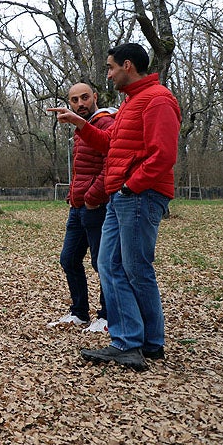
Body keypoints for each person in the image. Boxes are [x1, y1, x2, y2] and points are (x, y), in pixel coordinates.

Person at [49, 43, 181, 371]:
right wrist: (80, 125)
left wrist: (129, 185)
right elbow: (111, 145)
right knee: (110, 264)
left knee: (133, 268)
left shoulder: (157, 99)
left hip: (137, 196)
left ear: (127, 65)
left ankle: (131, 343)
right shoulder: (131, 102)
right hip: (121, 198)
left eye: (110, 68)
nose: (108, 74)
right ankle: (143, 342)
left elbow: (163, 155)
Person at [47, 83, 115, 333]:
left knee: (102, 263)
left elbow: (111, 164)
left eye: (85, 98)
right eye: (74, 100)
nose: (80, 104)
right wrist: (74, 195)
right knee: (69, 259)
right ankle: (79, 313)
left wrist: (92, 196)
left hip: (96, 206)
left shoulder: (106, 123)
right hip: (78, 207)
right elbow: (83, 167)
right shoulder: (80, 128)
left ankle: (108, 316)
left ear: (95, 97)